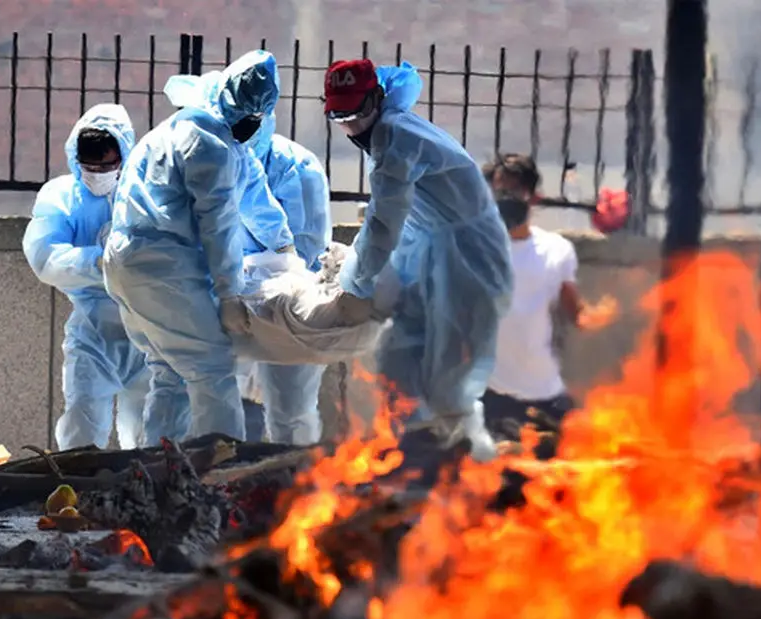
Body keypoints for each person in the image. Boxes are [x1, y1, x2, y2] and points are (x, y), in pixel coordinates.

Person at [322, 58, 513, 460]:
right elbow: (393, 218)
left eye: (358, 113)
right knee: (399, 365)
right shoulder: (386, 132)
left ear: (377, 98)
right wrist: (360, 274)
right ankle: (413, 465)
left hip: (467, 260)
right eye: (341, 117)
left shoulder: (395, 136)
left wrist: (355, 285)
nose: (352, 126)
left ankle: (473, 476)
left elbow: (383, 221)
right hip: (428, 253)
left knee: (449, 384)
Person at [104, 55, 297, 444]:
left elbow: (255, 197)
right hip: (164, 268)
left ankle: (159, 475)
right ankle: (222, 479)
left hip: (130, 266)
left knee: (170, 373)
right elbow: (219, 221)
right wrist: (229, 293)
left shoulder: (196, 135)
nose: (252, 121)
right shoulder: (207, 141)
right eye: (248, 111)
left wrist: (284, 245)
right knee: (212, 370)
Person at [22, 104, 149, 451]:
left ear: (124, 154)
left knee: (150, 438)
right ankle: (76, 498)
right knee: (82, 426)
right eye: (90, 166)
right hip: (93, 333)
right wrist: (106, 262)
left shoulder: (144, 195)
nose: (98, 173)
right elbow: (46, 257)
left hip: (149, 330)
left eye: (107, 165)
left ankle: (145, 502)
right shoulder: (61, 197)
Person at [236, 49, 331, 445]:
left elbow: (307, 250)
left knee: (291, 413)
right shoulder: (215, 159)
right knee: (218, 411)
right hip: (228, 302)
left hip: (290, 308)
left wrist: (256, 274)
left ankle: (299, 497)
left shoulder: (299, 167)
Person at [479, 153, 582, 440]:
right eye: (500, 191)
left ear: (532, 197)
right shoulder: (476, 247)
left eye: (514, 190)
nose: (506, 197)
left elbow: (576, 313)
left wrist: (599, 316)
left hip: (545, 393)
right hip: (492, 395)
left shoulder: (557, 250)